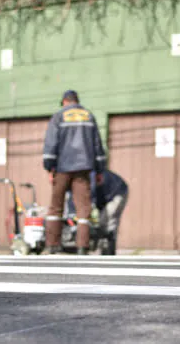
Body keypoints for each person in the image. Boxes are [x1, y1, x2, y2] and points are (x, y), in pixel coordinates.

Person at [42, 90, 107, 255]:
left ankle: (52, 245)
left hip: (62, 167)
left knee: (56, 206)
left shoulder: (59, 116)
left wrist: (50, 167)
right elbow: (97, 145)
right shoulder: (88, 116)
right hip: (83, 168)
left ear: (64, 101)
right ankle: (82, 246)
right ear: (76, 101)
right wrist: (100, 169)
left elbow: (51, 143)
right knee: (83, 208)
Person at [65, 169, 129, 255]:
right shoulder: (72, 178)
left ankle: (109, 249)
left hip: (116, 192)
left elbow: (92, 195)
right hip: (102, 195)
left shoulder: (90, 175)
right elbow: (71, 197)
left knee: (107, 221)